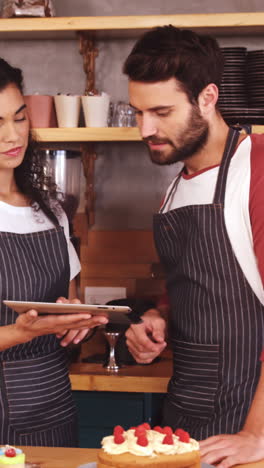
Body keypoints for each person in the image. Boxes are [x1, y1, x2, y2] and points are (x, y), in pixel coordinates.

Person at [123, 25, 264, 467]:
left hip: (247, 432)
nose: (146, 128)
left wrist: (256, 435)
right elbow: (198, 291)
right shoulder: (175, 189)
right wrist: (157, 321)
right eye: (138, 112)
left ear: (208, 97)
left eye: (161, 111)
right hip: (186, 422)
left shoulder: (256, 173)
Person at [0, 57, 108, 447]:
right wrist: (17, 332)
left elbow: (70, 297)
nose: (12, 136)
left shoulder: (51, 211)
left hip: (53, 401)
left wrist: (74, 318)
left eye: (19, 118)